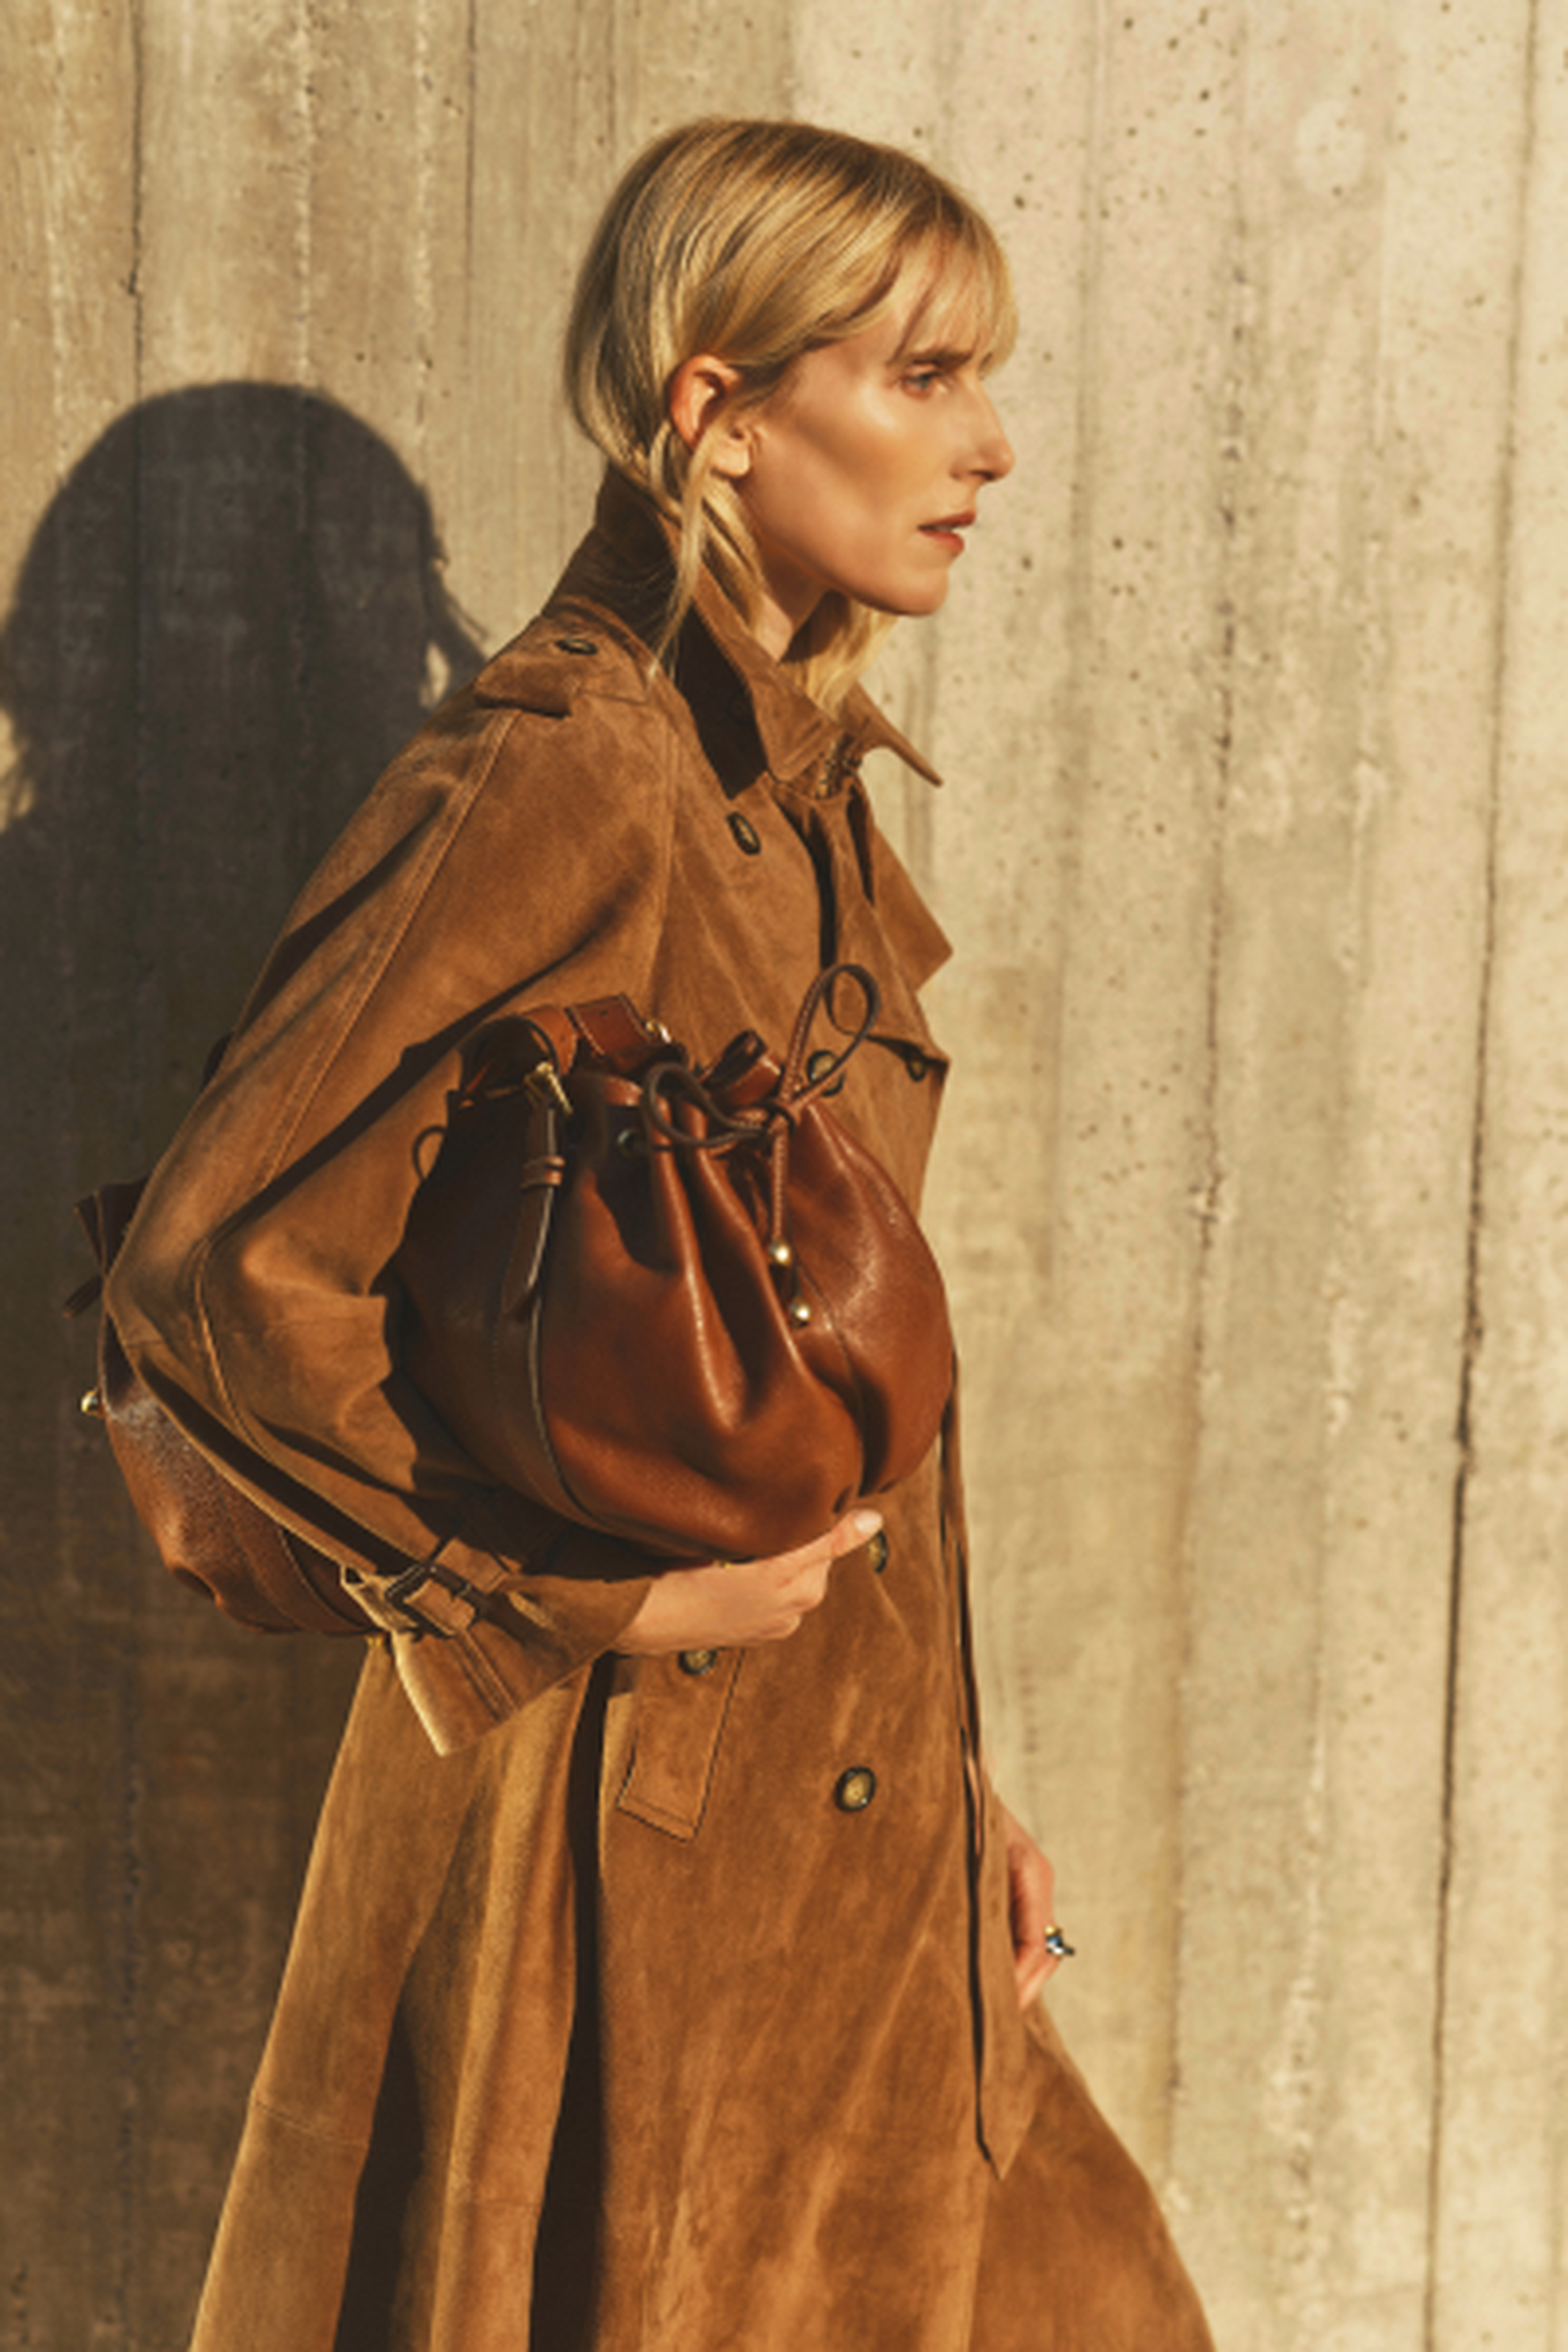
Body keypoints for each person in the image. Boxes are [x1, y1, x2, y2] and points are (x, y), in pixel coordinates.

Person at [107, 118, 1214, 2351]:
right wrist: (555, 1590)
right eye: (917, 378)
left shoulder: (785, 776)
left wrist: (963, 1792)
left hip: (850, 1830)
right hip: (631, 1868)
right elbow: (210, 1273)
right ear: (714, 410)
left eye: (981, 378)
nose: (988, 445)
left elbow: (820, 1377)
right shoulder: (563, 770)